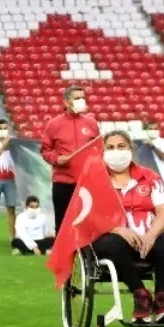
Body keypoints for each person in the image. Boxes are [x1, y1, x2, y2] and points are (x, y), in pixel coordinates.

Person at [90, 131, 164, 323]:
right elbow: (89, 214)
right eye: (111, 147)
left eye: (121, 146)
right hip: (115, 241)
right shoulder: (95, 180)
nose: (117, 151)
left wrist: (151, 235)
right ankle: (140, 295)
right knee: (109, 244)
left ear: (130, 149)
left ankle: (162, 299)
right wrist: (117, 229)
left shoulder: (149, 177)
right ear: (103, 152)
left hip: (148, 239)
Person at [41, 85, 101, 232]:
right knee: (62, 226)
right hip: (63, 183)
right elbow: (45, 150)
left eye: (83, 98)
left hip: (87, 183)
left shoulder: (91, 123)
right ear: (67, 102)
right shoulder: (53, 124)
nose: (82, 101)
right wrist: (56, 159)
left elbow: (99, 149)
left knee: (88, 224)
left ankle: (88, 255)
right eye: (77, 98)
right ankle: (64, 255)